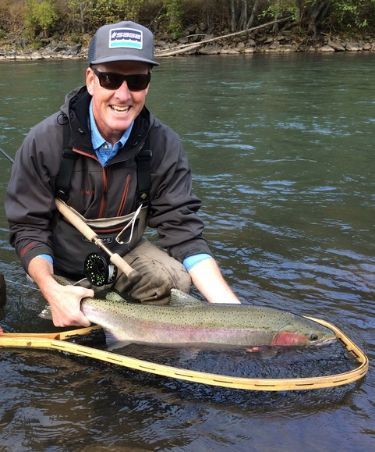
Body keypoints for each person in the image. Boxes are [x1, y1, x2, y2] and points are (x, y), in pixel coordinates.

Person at [5, 20, 240, 328]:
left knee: (174, 281)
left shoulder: (164, 145)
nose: (124, 94)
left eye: (137, 80)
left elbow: (182, 231)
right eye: (111, 78)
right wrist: (51, 290)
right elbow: (28, 229)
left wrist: (231, 311)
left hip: (124, 257)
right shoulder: (45, 141)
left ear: (148, 84)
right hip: (64, 265)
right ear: (91, 80)